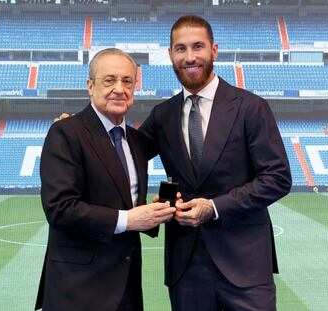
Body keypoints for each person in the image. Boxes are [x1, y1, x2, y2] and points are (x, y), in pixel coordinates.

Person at [139, 15, 292, 311]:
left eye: (198, 46)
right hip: (186, 267)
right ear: (170, 54)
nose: (190, 57)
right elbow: (124, 151)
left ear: (214, 50)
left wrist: (214, 207)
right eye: (180, 48)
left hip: (246, 265)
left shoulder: (251, 107)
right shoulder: (163, 115)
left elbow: (277, 178)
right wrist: (80, 130)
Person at [34, 48, 176, 311]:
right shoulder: (65, 132)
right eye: (109, 80)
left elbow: (126, 199)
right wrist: (129, 219)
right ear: (90, 86)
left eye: (127, 81)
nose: (119, 89)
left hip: (128, 289)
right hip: (78, 291)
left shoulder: (135, 141)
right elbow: (60, 209)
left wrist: (156, 213)